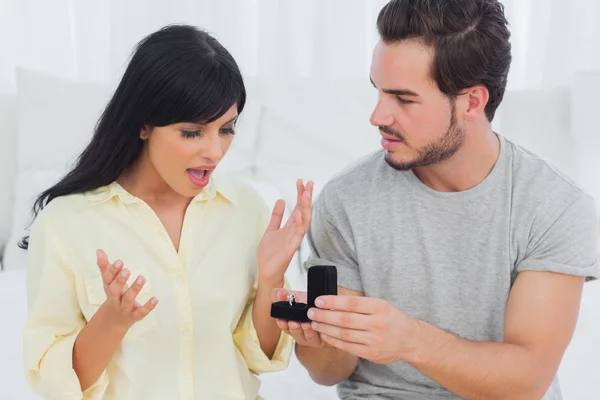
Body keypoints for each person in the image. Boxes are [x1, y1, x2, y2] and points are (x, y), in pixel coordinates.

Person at [275, 0, 599, 399]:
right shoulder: (346, 199)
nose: (377, 116)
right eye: (377, 91)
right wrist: (314, 338)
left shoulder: (555, 207)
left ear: (472, 103)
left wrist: (410, 340)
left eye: (404, 99)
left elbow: (526, 381)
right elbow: (330, 372)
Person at [21, 25, 312, 400]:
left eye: (227, 129)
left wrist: (272, 278)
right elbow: (55, 382)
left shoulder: (246, 210)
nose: (215, 151)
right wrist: (113, 319)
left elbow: (260, 358)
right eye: (192, 132)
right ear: (144, 125)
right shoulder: (65, 224)